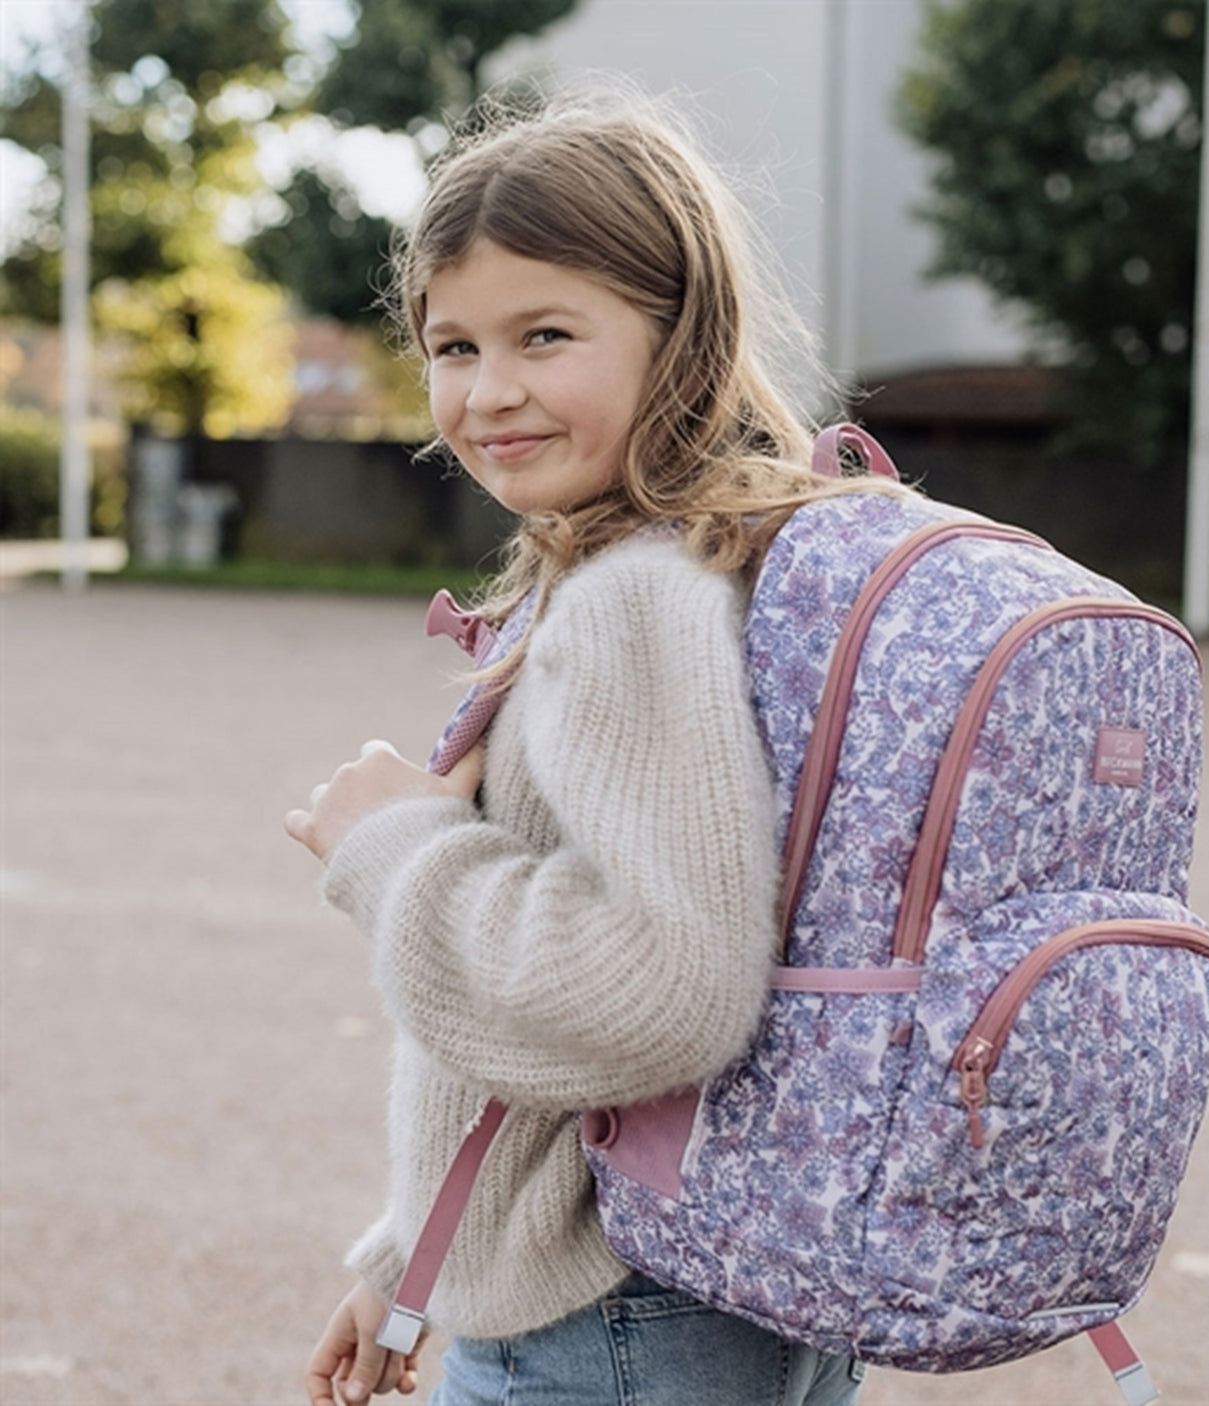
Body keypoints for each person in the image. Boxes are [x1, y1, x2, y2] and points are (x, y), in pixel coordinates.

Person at [284, 88, 887, 1406]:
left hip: (612, 1322)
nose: (488, 391)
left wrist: (393, 847)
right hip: (701, 1281)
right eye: (451, 346)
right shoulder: (743, 557)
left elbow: (660, 993)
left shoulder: (633, 597)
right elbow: (551, 1057)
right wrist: (413, 1255)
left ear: (680, 337)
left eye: (544, 335)